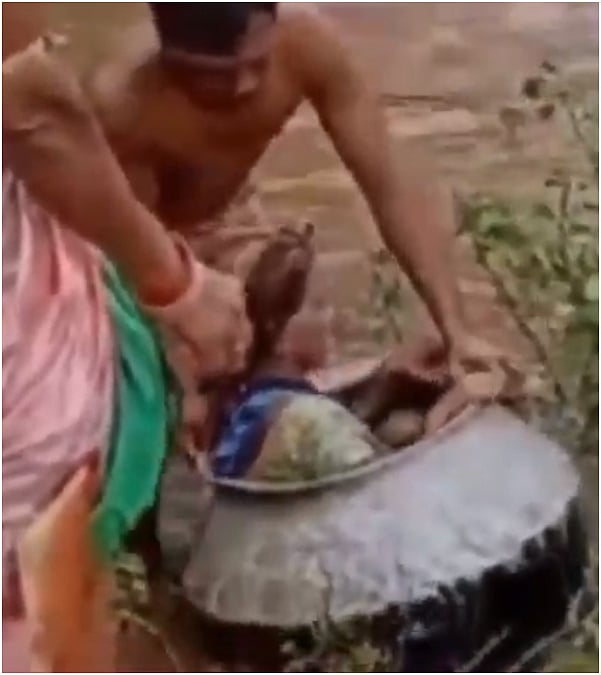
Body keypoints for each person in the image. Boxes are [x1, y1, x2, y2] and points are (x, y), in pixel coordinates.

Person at [84, 3, 502, 405]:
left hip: (229, 213)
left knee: (298, 314)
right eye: (215, 76)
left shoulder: (305, 43)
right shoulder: (125, 107)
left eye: (257, 63)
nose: (244, 86)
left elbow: (390, 185)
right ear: (168, 59)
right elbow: (129, 264)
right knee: (181, 388)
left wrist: (457, 331)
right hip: (147, 245)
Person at [2, 5, 253, 671]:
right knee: (42, 601)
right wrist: (177, 283)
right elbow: (27, 106)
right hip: (22, 413)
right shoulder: (123, 99)